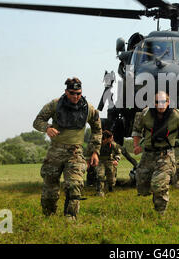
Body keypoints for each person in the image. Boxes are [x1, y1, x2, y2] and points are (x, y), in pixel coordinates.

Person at [33, 77, 102, 220]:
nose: (76, 96)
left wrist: (94, 151)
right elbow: (37, 121)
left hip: (75, 153)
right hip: (55, 152)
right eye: (72, 93)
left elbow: (97, 129)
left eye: (78, 93)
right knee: (50, 190)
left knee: (75, 185)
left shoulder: (88, 108)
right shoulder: (55, 104)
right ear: (66, 92)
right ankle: (49, 216)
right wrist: (47, 128)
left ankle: (70, 217)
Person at [132, 91, 179, 215]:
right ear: (154, 103)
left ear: (168, 102)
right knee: (142, 186)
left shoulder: (178, 115)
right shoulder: (145, 114)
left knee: (159, 185)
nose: (161, 105)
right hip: (148, 155)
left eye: (163, 102)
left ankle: (160, 214)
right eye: (157, 102)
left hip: (165, 154)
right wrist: (136, 146)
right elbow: (136, 130)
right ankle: (156, 192)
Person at [95, 130, 136, 196]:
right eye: (111, 138)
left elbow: (118, 152)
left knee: (111, 179)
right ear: (106, 138)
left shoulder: (113, 144)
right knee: (100, 175)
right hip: (100, 161)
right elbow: (92, 152)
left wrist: (116, 160)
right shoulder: (97, 144)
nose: (112, 139)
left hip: (110, 162)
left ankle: (110, 188)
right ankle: (100, 191)